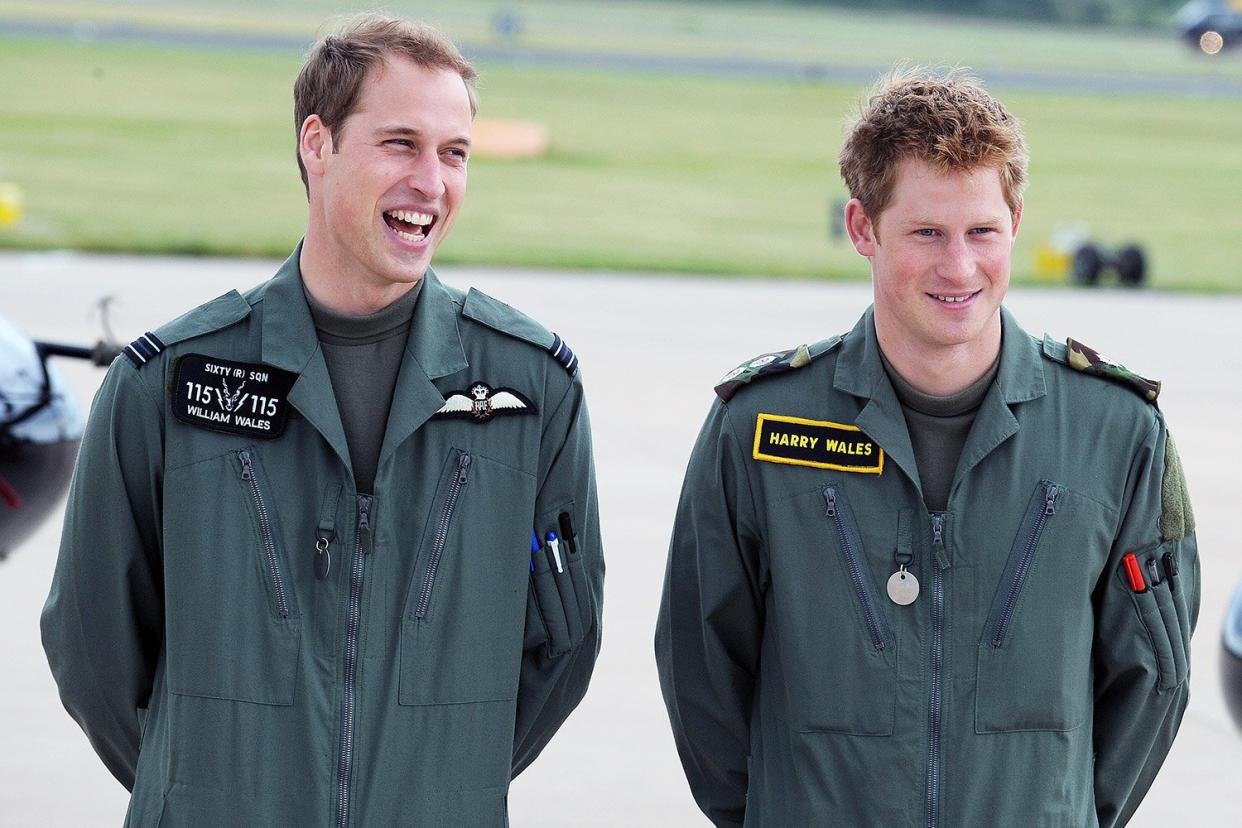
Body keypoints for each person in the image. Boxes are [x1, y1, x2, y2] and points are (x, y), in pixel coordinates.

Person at [42, 16, 602, 826]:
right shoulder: (165, 383)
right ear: (317, 143)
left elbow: (564, 645)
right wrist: (209, 783)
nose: (431, 183)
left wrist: (430, 779)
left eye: (454, 153)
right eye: (400, 144)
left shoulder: (531, 389)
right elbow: (92, 651)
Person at [655, 68, 1198, 827]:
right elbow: (700, 670)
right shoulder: (759, 430)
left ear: (1015, 222)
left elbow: (1153, 678)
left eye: (981, 231)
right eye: (926, 233)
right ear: (862, 229)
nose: (959, 267)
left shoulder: (1117, 433)